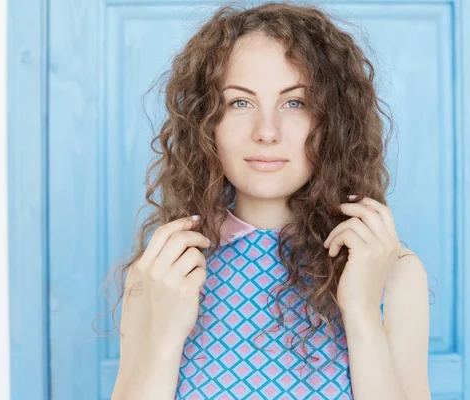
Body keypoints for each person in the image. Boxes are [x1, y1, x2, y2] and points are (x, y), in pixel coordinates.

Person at [109, 2, 431, 399]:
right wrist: (163, 340)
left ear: (333, 122)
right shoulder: (160, 273)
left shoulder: (393, 272)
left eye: (295, 102)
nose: (266, 131)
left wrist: (362, 313)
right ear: (205, 122)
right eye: (239, 102)